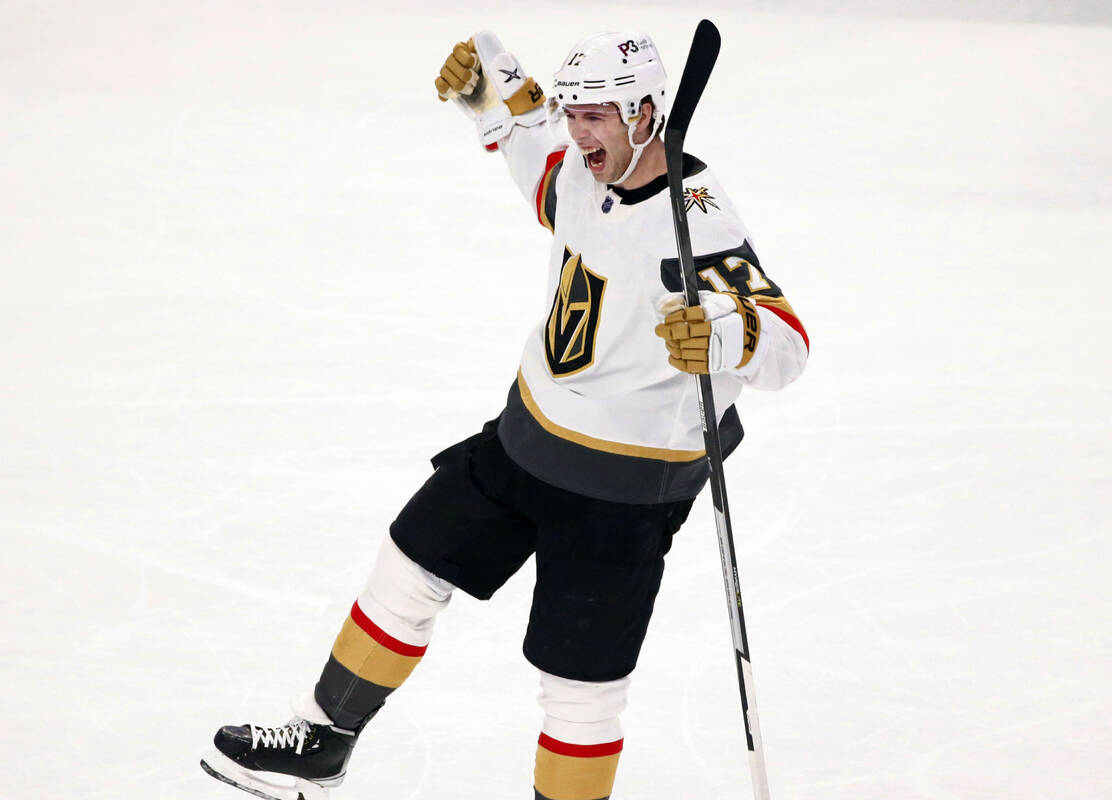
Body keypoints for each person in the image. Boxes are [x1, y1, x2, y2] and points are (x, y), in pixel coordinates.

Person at [200, 28, 808, 800]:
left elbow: (786, 343)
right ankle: (324, 737)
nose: (579, 130)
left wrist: (726, 333)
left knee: (579, 686)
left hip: (621, 494)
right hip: (522, 445)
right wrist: (492, 93)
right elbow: (543, 171)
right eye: (574, 111)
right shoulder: (593, 175)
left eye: (598, 116)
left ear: (648, 114)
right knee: (408, 563)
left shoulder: (700, 221)